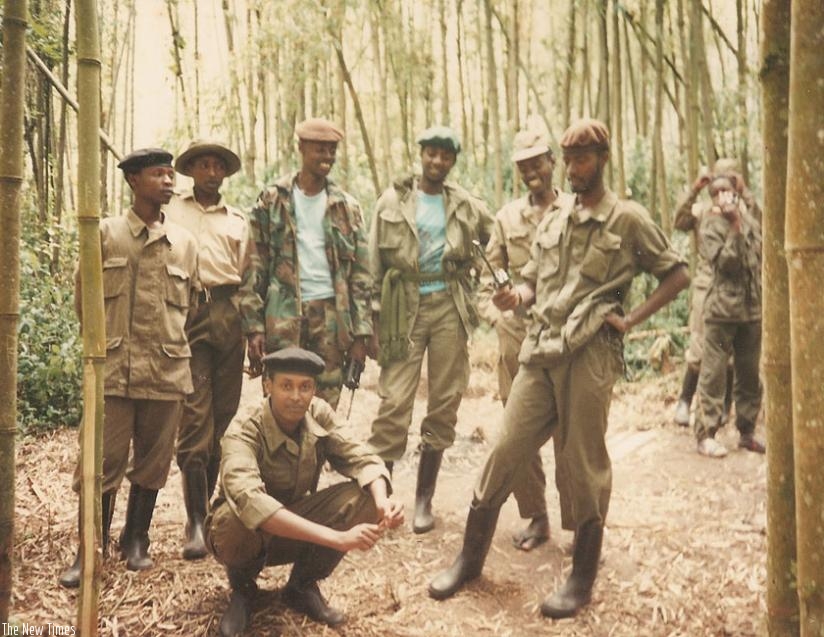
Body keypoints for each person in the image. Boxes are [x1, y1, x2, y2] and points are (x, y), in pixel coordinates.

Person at [428, 119, 689, 619]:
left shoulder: (627, 219)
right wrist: (515, 296)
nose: (573, 169)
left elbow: (677, 273)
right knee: (505, 449)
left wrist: (630, 318)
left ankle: (582, 578)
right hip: (540, 349)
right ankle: (469, 559)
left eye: (582, 159)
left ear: (603, 158)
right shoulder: (555, 218)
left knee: (583, 462)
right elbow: (533, 282)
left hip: (589, 355)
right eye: (568, 160)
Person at [59, 148, 200, 587]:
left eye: (170, 174)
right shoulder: (105, 234)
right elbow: (85, 301)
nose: (168, 181)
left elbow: (189, 308)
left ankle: (135, 539)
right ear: (133, 180)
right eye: (158, 174)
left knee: (155, 460)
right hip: (114, 369)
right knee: (101, 461)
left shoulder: (185, 243)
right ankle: (90, 548)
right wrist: (105, 348)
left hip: (166, 369)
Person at [205, 347, 404, 636]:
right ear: (267, 386)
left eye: (305, 387)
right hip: (246, 533)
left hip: (294, 524)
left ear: (314, 390)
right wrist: (336, 538)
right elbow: (250, 500)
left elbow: (362, 458)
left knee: (365, 499)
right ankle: (243, 590)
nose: (297, 396)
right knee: (234, 522)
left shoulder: (318, 414)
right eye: (287, 386)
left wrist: (383, 503)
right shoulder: (245, 427)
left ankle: (300, 587)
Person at [367, 125, 494, 534]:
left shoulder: (465, 205)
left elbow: (498, 238)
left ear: (453, 161)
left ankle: (424, 501)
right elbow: (373, 261)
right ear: (420, 154)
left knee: (445, 401)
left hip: (449, 307)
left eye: (445, 156)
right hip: (403, 305)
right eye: (431, 154)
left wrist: (486, 277)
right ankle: (382, 503)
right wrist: (371, 317)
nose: (437, 162)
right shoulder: (392, 201)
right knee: (394, 403)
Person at [478, 129, 575, 551]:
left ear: (552, 162)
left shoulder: (576, 210)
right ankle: (536, 517)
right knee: (517, 438)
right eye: (523, 166)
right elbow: (486, 286)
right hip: (518, 341)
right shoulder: (506, 219)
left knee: (573, 437)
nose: (531, 172)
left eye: (537, 162)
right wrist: (500, 314)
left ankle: (579, 525)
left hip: (570, 340)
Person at [240, 118, 372, 409]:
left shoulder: (346, 207)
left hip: (331, 320)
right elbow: (253, 265)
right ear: (300, 148)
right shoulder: (272, 200)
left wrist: (361, 334)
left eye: (332, 150)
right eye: (319, 150)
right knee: (281, 403)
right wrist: (254, 327)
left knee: (324, 408)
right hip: (282, 318)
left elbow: (361, 277)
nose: (327, 157)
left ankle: (316, 457)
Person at [166, 140, 251, 560]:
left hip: (228, 314)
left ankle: (212, 513)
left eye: (218, 166)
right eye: (204, 165)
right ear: (191, 171)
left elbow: (248, 275)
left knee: (224, 417)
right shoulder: (174, 210)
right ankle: (195, 522)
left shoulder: (237, 220)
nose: (211, 172)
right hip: (188, 312)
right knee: (195, 417)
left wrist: (252, 331)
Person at [672, 158, 761, 426]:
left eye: (731, 178)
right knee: (701, 350)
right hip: (708, 285)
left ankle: (724, 409)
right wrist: (695, 189)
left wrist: (744, 193)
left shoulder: (743, 211)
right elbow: (680, 220)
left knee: (735, 357)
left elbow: (762, 224)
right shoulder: (704, 211)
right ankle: (685, 402)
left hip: (741, 293)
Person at [693, 175, 764, 457]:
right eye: (718, 192)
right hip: (721, 311)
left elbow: (758, 253)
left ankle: (746, 432)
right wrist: (734, 226)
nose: (724, 196)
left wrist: (741, 220)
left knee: (749, 374)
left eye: (729, 191)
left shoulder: (750, 221)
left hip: (751, 309)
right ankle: (706, 433)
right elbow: (726, 263)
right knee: (713, 373)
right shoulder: (709, 225)